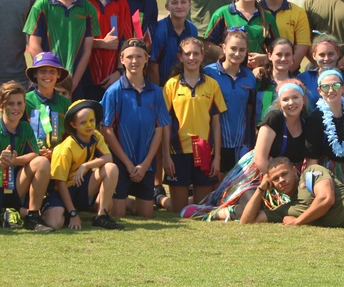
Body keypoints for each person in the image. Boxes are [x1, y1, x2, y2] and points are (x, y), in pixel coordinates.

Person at [193, 79, 310, 222]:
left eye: (295, 97)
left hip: (284, 179)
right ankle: (220, 212)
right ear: (280, 102)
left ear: (303, 99)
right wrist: (274, 183)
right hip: (257, 175)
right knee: (251, 210)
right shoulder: (274, 118)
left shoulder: (306, 124)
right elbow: (260, 158)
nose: (291, 103)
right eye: (286, 99)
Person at [0, 81, 52, 233]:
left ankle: (32, 216)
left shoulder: (25, 128)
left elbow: (34, 154)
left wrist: (15, 160)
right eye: (10, 104)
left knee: (42, 162)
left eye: (20, 103)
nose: (16, 108)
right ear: (0, 105)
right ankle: (1, 213)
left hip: (15, 186)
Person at [101, 39, 171, 219]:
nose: (134, 61)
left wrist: (146, 163)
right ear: (122, 59)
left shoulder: (156, 92)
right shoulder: (113, 91)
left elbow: (159, 128)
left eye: (139, 56)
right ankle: (109, 201)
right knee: (118, 214)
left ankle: (130, 202)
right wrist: (128, 164)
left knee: (146, 215)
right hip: (121, 162)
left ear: (147, 59)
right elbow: (106, 129)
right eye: (130, 57)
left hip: (145, 164)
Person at [162, 37, 226, 211]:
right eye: (187, 54)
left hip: (204, 150)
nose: (192, 57)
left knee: (200, 208)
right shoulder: (171, 85)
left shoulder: (212, 85)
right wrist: (166, 156)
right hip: (178, 151)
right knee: (178, 209)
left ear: (202, 55)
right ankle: (160, 199)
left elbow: (216, 124)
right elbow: (165, 124)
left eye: (196, 53)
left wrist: (217, 158)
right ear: (180, 57)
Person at [24, 0, 99, 97]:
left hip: (75, 83)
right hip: (45, 83)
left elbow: (87, 51)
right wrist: (52, 78)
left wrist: (72, 83)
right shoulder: (41, 6)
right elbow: (34, 47)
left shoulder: (88, 9)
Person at [43, 100, 125, 230]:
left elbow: (108, 157)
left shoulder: (96, 136)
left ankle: (102, 216)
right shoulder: (66, 148)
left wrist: (85, 166)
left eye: (91, 120)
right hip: (62, 191)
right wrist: (72, 213)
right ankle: (58, 210)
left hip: (81, 186)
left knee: (111, 168)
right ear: (73, 125)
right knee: (55, 223)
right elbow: (60, 183)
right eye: (83, 122)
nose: (89, 125)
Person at [79, 0, 134, 101]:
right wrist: (100, 43)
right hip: (83, 77)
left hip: (113, 79)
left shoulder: (120, 2)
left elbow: (126, 41)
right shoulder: (78, 1)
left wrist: (119, 71)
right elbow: (73, 42)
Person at [203, 30, 257, 176]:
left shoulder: (249, 77)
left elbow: (250, 110)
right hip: (215, 144)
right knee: (216, 194)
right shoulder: (209, 73)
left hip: (241, 144)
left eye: (242, 50)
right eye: (233, 48)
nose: (237, 53)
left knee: (237, 192)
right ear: (224, 48)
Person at [205, 0, 278, 67]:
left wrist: (264, 58)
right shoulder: (222, 14)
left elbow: (277, 49)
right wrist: (230, 55)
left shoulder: (267, 18)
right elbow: (208, 45)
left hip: (257, 73)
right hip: (228, 71)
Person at [305, 69, 344, 184]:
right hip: (326, 174)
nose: (331, 90)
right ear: (319, 91)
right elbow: (312, 160)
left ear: (343, 88)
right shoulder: (315, 118)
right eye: (325, 87)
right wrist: (311, 185)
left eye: (336, 86)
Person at [260, 0, 311, 66]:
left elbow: (302, 46)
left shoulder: (298, 13)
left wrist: (286, 71)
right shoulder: (253, 10)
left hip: (288, 70)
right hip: (257, 71)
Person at [23, 52, 73, 155]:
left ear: (58, 74)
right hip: (31, 157)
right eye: (42, 71)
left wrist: (56, 152)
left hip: (59, 156)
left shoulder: (66, 103)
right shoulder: (25, 101)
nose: (47, 75)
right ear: (35, 74)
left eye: (52, 72)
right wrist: (34, 151)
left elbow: (70, 135)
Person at [150, 0, 199, 85]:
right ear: (167, 7)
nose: (179, 6)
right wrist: (158, 92)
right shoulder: (160, 31)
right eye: (174, 3)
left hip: (185, 85)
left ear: (190, 4)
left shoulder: (192, 29)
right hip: (163, 86)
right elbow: (152, 65)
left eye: (183, 2)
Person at [297, 35, 344, 104]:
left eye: (331, 54)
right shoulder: (304, 78)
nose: (326, 58)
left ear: (337, 54)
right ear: (314, 56)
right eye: (322, 55)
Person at [254, 38, 297, 122]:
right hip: (260, 132)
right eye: (279, 54)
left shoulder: (296, 85)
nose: (283, 58)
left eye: (287, 55)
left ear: (292, 57)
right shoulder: (258, 80)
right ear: (270, 56)